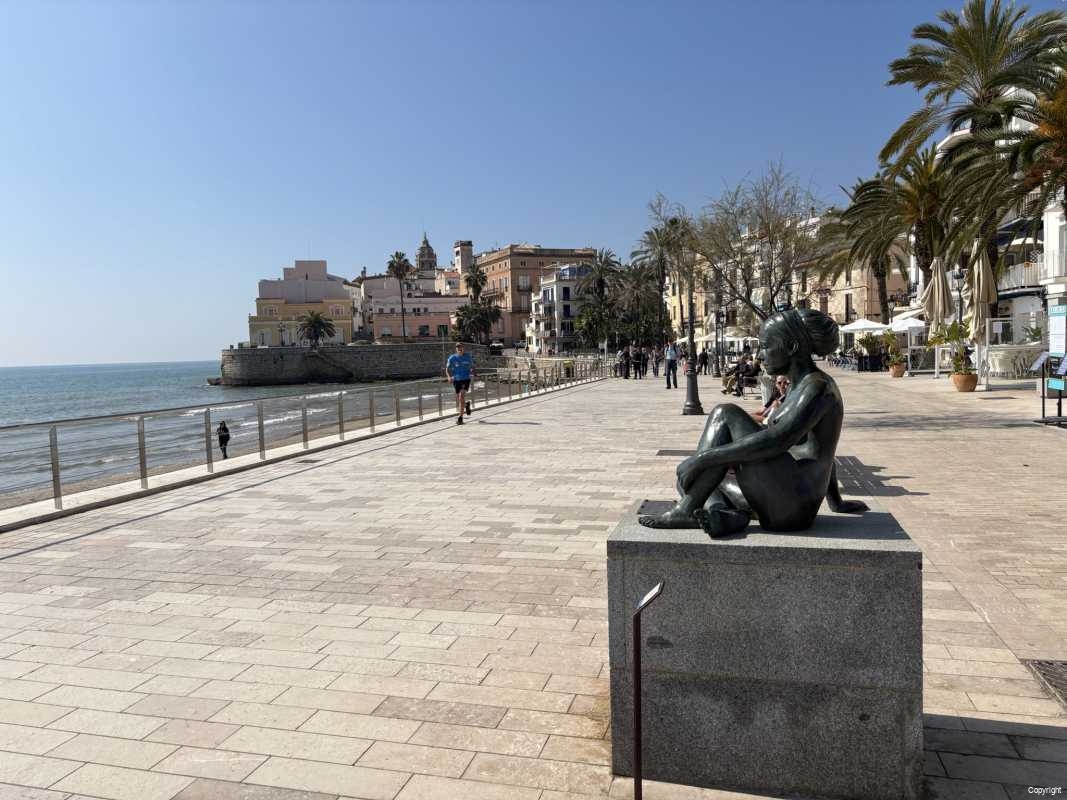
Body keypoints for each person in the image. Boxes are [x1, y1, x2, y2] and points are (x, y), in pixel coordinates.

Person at [639, 308, 869, 536]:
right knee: (693, 482)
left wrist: (703, 459)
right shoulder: (798, 387)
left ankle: (686, 511)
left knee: (724, 413)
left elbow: (777, 441)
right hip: (783, 495)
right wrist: (837, 502)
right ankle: (723, 514)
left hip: (793, 502)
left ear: (791, 347)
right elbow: (824, 452)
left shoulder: (817, 387)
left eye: (766, 346)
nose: (759, 355)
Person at [446, 342, 475, 425]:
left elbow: (472, 367)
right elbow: (447, 369)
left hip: (466, 379)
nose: (459, 349)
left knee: (461, 396)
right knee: (460, 398)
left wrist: (473, 372)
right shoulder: (452, 358)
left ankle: (460, 418)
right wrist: (449, 377)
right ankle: (466, 405)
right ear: (456, 349)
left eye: (461, 347)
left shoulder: (468, 357)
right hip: (456, 380)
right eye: (458, 347)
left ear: (463, 348)